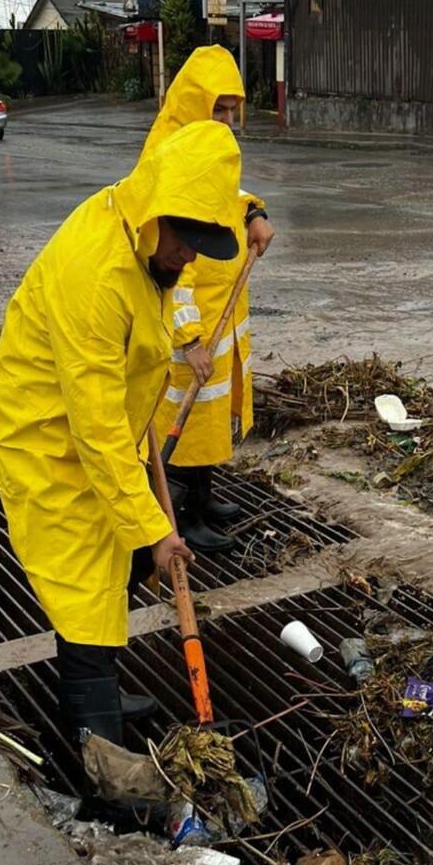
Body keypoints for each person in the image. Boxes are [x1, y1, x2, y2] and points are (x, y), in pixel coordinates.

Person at [0, 120, 242, 747]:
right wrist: (156, 529)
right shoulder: (98, 273)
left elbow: (131, 363)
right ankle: (92, 733)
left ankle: (99, 678)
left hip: (102, 422)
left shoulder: (144, 241)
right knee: (82, 575)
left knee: (119, 560)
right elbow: (94, 427)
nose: (189, 258)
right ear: (158, 215)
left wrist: (143, 523)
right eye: (185, 242)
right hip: (47, 432)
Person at [141, 45, 275, 552]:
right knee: (185, 417)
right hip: (189, 320)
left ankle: (202, 496)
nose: (226, 122)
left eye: (231, 111)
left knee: (209, 414)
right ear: (194, 102)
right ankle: (181, 512)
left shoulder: (204, 145)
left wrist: (253, 213)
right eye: (217, 109)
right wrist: (189, 337)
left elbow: (227, 196)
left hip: (220, 311)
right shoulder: (171, 154)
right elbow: (172, 260)